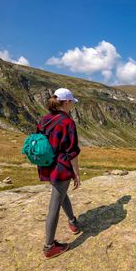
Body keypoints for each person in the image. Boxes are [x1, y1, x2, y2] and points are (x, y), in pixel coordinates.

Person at [36, 87, 82, 259]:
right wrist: (76, 173)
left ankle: (73, 222)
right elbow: (72, 151)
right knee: (54, 205)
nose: (72, 105)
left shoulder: (44, 119)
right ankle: (49, 247)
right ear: (67, 102)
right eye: (72, 102)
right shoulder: (68, 122)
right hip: (61, 167)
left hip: (47, 165)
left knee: (60, 194)